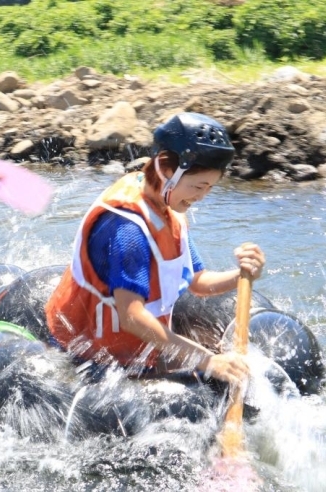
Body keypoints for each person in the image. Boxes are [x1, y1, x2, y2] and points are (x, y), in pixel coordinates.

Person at [45, 112, 266, 387]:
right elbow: (132, 318)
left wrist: (241, 275)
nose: (201, 196)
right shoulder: (126, 228)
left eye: (210, 188)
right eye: (198, 186)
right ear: (165, 167)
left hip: (135, 352)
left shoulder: (168, 209)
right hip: (87, 356)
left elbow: (197, 282)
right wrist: (208, 361)